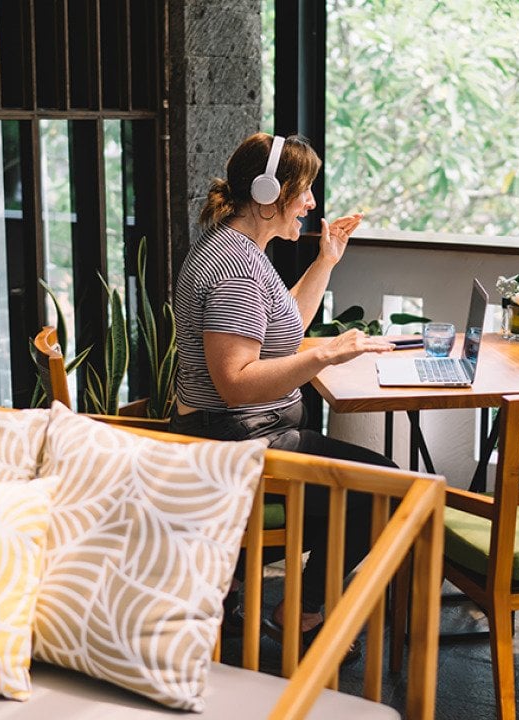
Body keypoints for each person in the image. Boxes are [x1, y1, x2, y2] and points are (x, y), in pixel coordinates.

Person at [169, 132, 396, 647]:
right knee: (382, 490)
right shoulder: (237, 270)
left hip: (243, 434)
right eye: (305, 190)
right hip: (237, 442)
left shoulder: (238, 248)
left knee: (359, 486)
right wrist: (326, 353)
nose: (312, 203)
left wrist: (326, 261)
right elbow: (234, 384)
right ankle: (300, 610)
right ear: (270, 193)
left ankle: (223, 583)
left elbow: (284, 321)